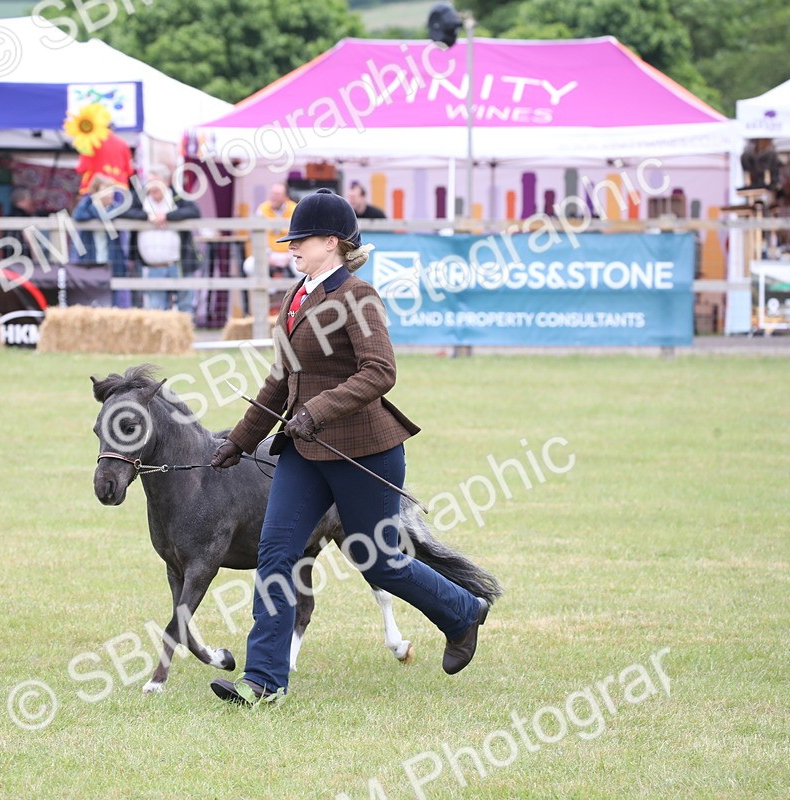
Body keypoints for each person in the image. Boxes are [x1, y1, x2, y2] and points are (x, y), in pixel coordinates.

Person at [208, 189, 490, 705]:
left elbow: (381, 372)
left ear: (332, 243)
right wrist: (239, 440)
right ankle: (264, 681)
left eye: (301, 239)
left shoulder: (358, 297)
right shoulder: (298, 296)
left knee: (378, 561)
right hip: (303, 454)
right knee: (275, 552)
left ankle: (463, 612)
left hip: (362, 452)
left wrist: (317, 411)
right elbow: (280, 380)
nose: (291, 246)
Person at [134, 166, 202, 317]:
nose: (151, 186)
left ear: (166, 182)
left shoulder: (177, 198)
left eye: (155, 182)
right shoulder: (140, 199)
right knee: (157, 311)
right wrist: (147, 216)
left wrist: (167, 216)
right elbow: (125, 212)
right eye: (149, 182)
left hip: (178, 264)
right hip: (153, 267)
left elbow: (194, 211)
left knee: (185, 308)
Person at [73, 174, 138, 308]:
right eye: (105, 191)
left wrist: (96, 210)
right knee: (90, 296)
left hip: (112, 260)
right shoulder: (87, 207)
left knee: (112, 297)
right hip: (91, 258)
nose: (110, 195)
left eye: (111, 190)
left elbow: (108, 217)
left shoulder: (116, 208)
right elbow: (78, 215)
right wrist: (91, 200)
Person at [243, 183, 299, 278]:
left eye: (277, 194)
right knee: (249, 266)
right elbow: (257, 237)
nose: (274, 197)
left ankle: (295, 291)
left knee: (303, 270)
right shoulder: (262, 209)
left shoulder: (295, 209)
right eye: (272, 194)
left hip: (290, 254)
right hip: (269, 253)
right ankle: (268, 291)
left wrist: (290, 255)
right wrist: (267, 254)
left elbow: (299, 236)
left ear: (286, 197)